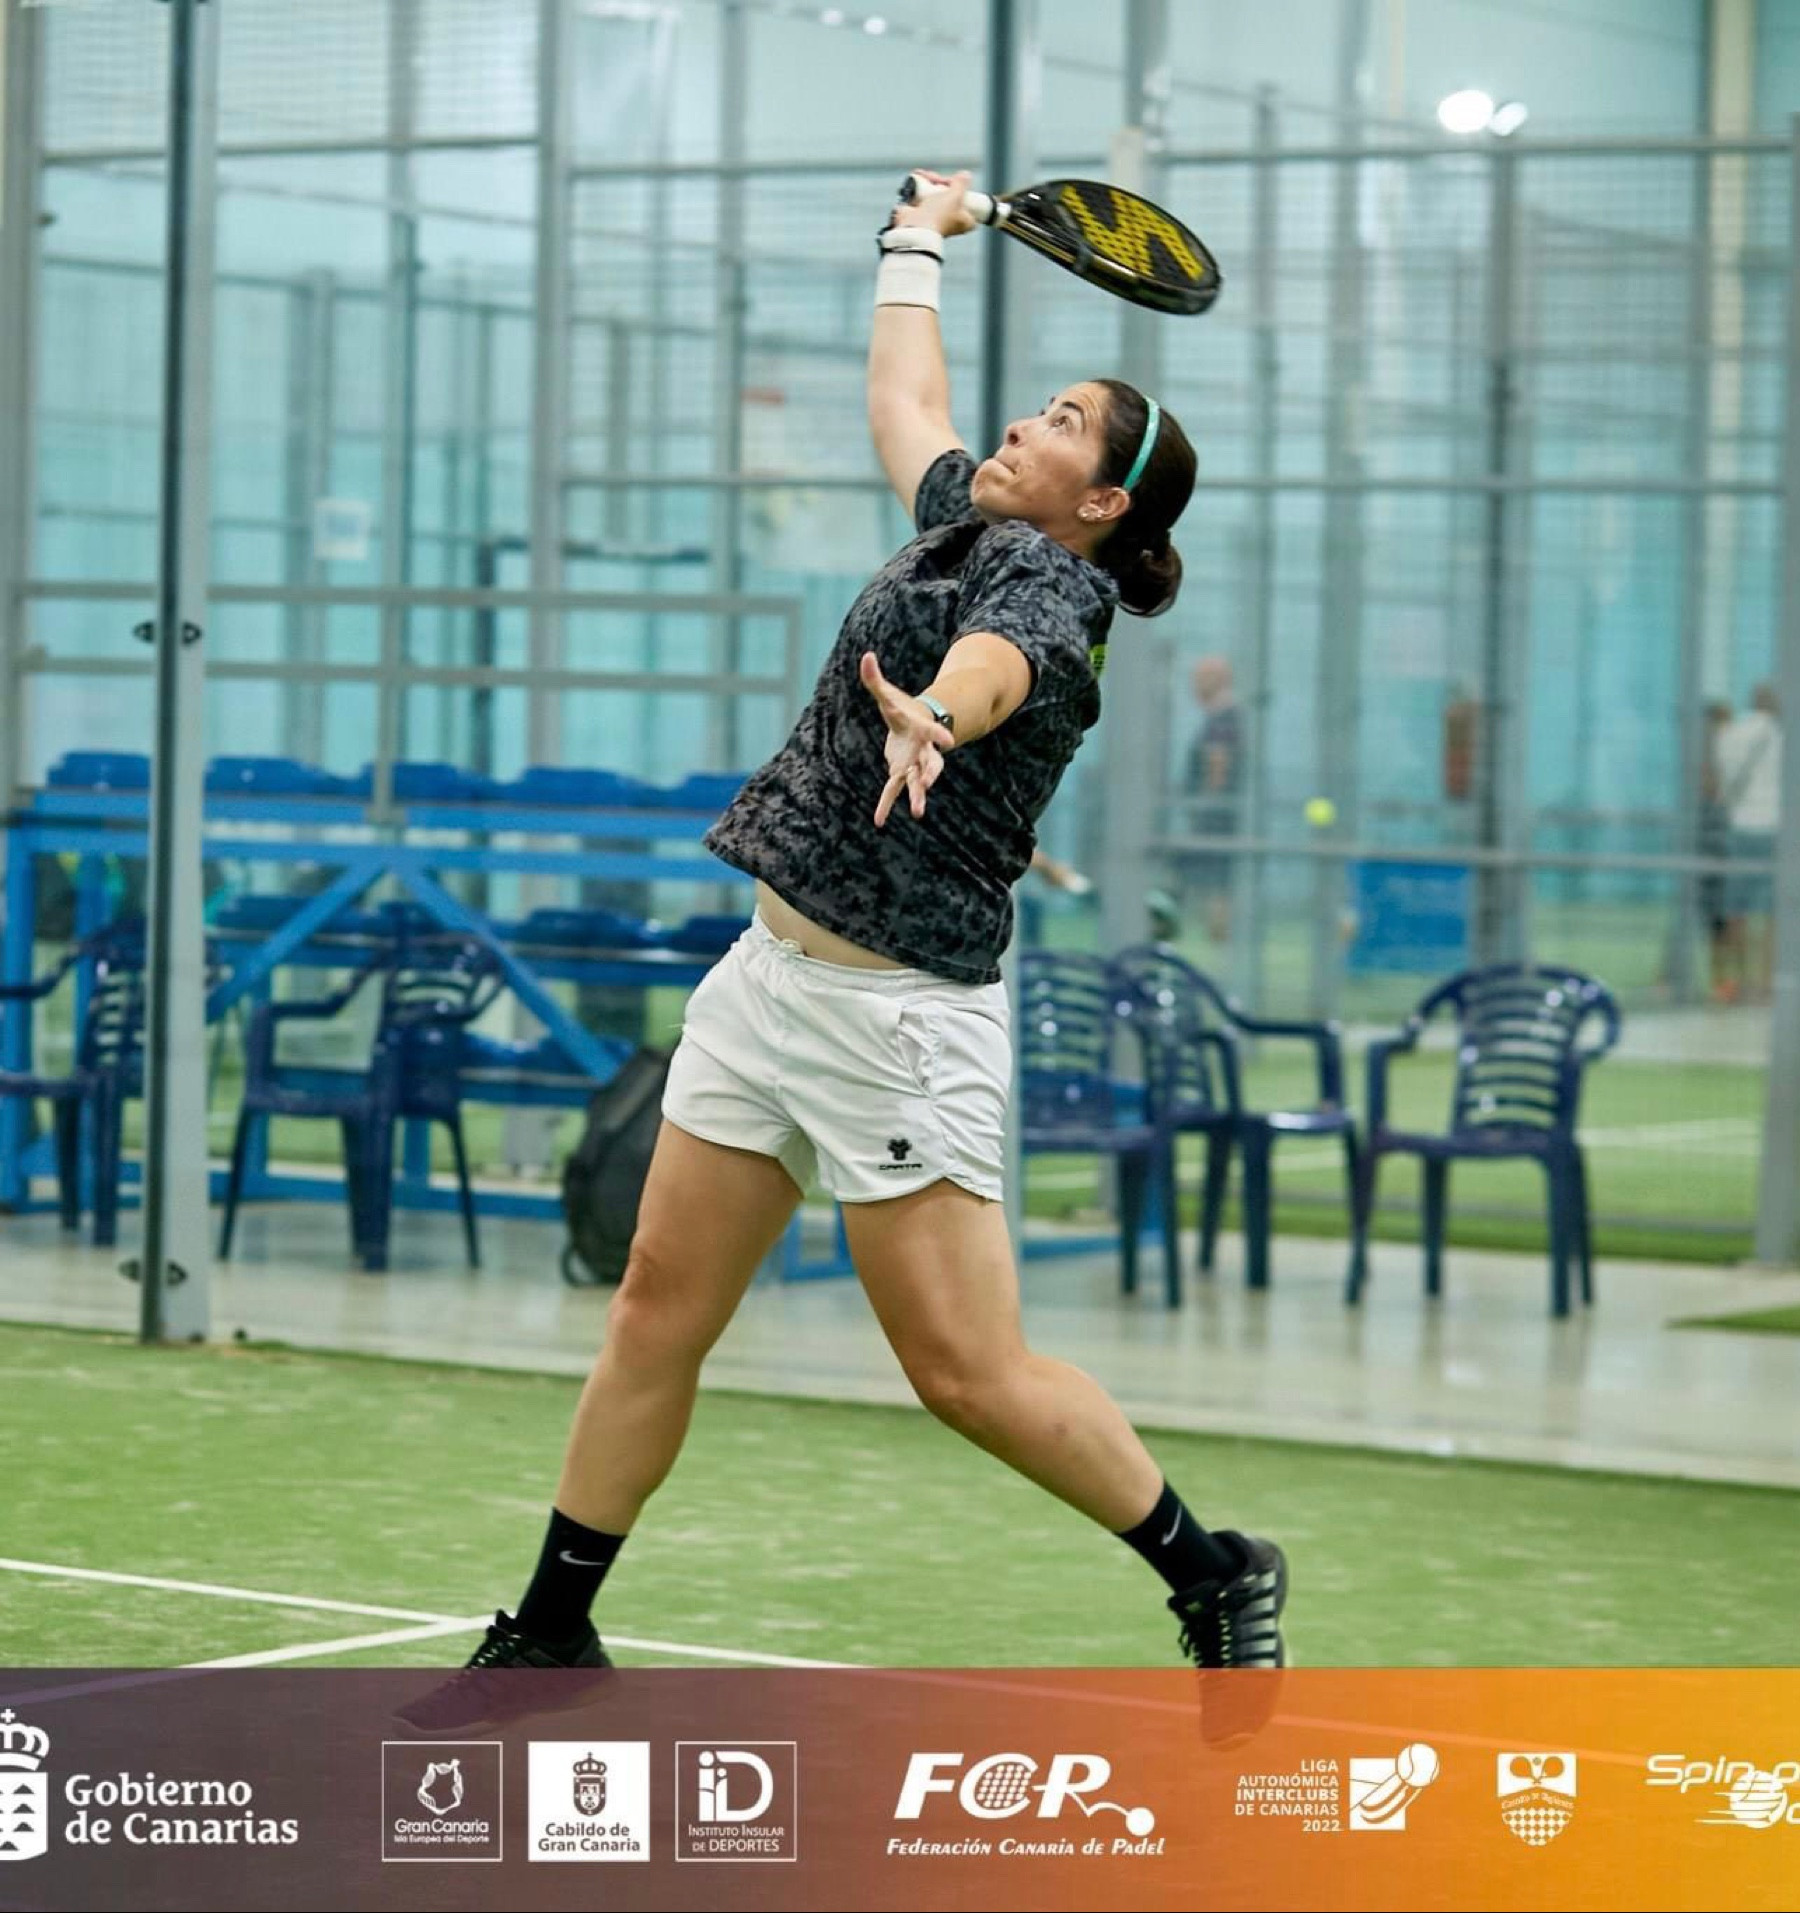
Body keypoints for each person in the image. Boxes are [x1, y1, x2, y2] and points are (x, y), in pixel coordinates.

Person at [397, 167, 1287, 1737]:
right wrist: (913, 240)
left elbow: (1003, 667)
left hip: (896, 1023)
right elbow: (902, 396)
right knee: (654, 1307)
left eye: (1063, 423)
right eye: (1040, 406)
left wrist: (936, 713)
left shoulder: (1048, 582)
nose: (1023, 423)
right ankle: (550, 1632)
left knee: (966, 1375)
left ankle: (1211, 1569)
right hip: (766, 985)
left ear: (1103, 504)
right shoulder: (964, 526)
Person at [1715, 683, 1782, 1004]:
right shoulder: (1783, 737)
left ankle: (1737, 980)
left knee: (1736, 909)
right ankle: (1768, 983)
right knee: (1775, 912)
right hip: (1776, 828)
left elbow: (1722, 780)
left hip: (1740, 825)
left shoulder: (1731, 734)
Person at [1179, 655, 1242, 946]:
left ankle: (1222, 941)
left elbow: (1218, 764)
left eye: (1199, 679)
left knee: (1218, 886)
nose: (1194, 687)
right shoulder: (1223, 718)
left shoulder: (1222, 719)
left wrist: (1205, 808)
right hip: (1219, 816)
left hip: (1217, 818)